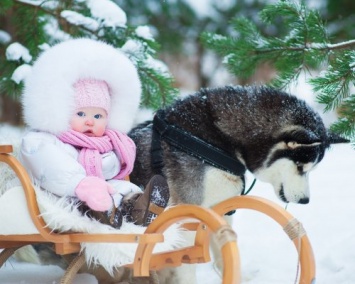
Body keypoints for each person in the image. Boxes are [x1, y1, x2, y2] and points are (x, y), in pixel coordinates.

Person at [19, 38, 169, 229]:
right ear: (63, 112)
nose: (90, 121)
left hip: (102, 190)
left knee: (123, 189)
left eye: (98, 115)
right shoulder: (44, 139)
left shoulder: (106, 144)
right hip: (64, 194)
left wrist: (106, 165)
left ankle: (138, 207)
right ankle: (99, 210)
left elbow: (111, 171)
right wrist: (81, 184)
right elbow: (48, 164)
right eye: (81, 114)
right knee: (93, 196)